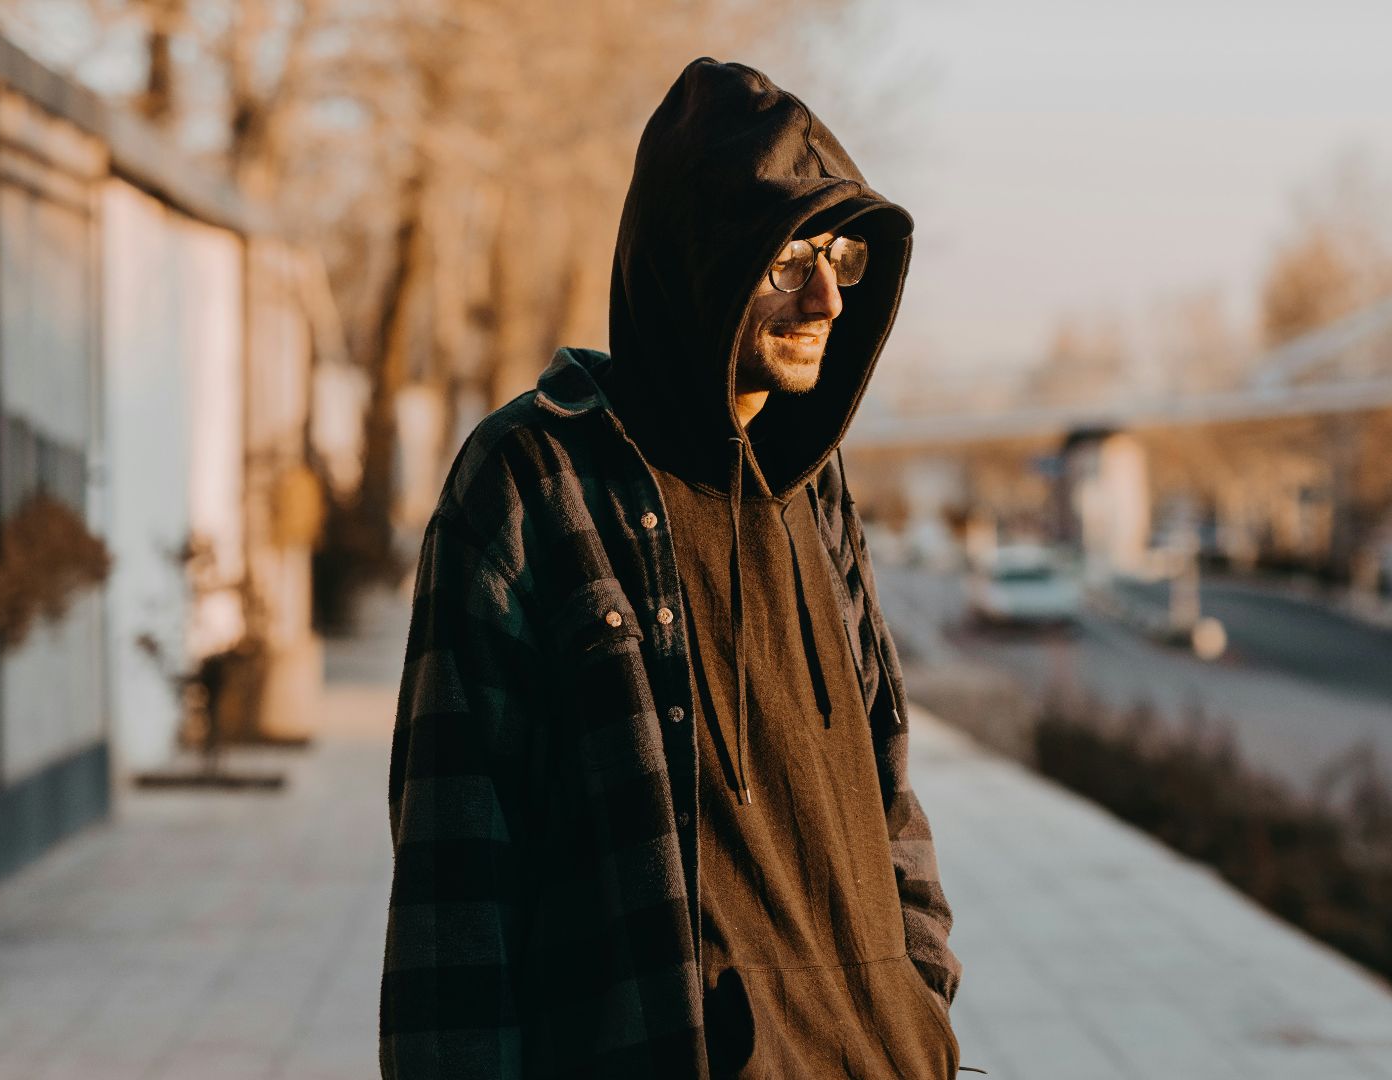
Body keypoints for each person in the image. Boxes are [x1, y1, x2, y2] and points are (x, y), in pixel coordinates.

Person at [380, 57, 962, 1079]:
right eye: (790, 259)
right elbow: (454, 888)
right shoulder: (533, 484)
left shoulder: (818, 490)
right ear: (699, 259)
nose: (827, 294)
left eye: (842, 257)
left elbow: (887, 786)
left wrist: (918, 995)